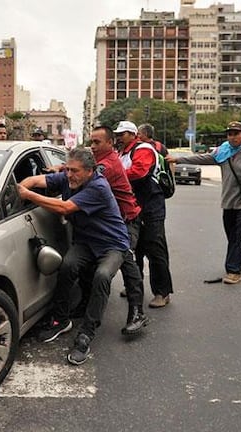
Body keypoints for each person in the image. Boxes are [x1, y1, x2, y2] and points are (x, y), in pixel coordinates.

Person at [18, 147, 129, 365]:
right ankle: (60, 320)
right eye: (68, 169)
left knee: (102, 276)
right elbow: (35, 180)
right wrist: (21, 187)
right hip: (86, 243)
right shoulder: (68, 178)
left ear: (90, 171)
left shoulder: (98, 187)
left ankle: (86, 334)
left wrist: (29, 195)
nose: (69, 175)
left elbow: (64, 208)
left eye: (75, 171)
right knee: (67, 266)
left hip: (112, 245)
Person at [166, 121, 241, 284]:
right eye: (230, 133)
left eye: (236, 133)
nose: (233, 136)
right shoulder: (223, 152)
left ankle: (233, 271)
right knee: (232, 237)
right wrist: (178, 160)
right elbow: (203, 158)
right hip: (228, 204)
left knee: (239, 237)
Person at [89, 125, 149, 334]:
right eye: (91, 142)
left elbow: (87, 179)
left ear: (109, 143)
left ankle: (137, 312)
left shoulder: (108, 165)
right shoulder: (100, 160)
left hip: (126, 220)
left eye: (97, 142)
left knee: (127, 260)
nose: (93, 146)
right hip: (112, 222)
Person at [116, 120, 175, 308]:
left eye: (123, 133)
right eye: (117, 134)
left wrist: (115, 175)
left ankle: (162, 292)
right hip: (133, 207)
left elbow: (139, 172)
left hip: (151, 206)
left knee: (155, 248)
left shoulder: (143, 149)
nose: (119, 137)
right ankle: (135, 286)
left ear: (133, 135)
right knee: (135, 249)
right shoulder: (121, 153)